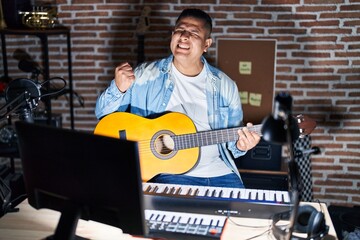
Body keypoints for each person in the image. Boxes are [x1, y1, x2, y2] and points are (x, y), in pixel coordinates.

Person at [95, 8, 261, 188]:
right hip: (166, 174)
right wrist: (118, 89)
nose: (184, 36)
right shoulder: (144, 76)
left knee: (244, 213)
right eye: (180, 30)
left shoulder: (225, 86)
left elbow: (233, 146)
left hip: (220, 173)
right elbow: (104, 118)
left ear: (206, 44)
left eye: (193, 33)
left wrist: (243, 145)